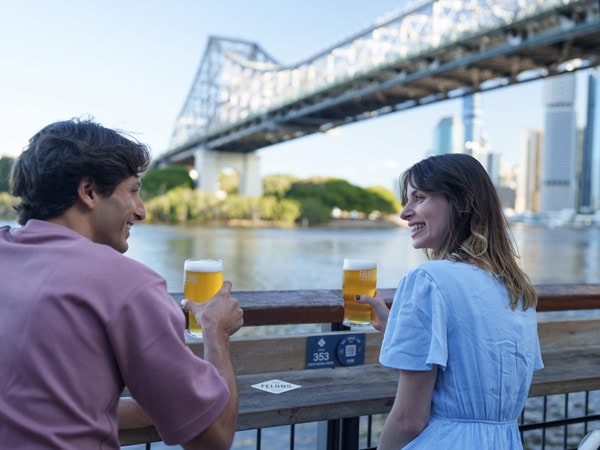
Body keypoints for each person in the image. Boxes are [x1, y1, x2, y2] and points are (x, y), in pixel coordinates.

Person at [0, 118, 244, 449]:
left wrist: (172, 407)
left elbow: (48, 408)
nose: (141, 212)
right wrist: (216, 332)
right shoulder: (126, 284)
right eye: (132, 191)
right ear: (88, 192)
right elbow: (213, 439)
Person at [356, 153, 543, 449]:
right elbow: (476, 361)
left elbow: (409, 420)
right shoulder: (517, 288)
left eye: (419, 197)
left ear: (463, 201)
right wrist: (397, 326)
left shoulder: (429, 280)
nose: (405, 212)